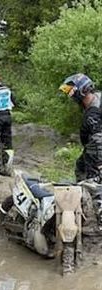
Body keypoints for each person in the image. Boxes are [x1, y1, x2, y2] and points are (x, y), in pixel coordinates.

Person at [59, 73, 102, 226]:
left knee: (94, 182)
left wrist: (98, 162)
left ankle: (100, 218)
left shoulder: (93, 112)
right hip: (92, 146)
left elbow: (98, 138)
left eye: (71, 90)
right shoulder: (97, 98)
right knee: (80, 167)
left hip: (96, 148)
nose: (70, 95)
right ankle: (81, 208)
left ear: (81, 90)